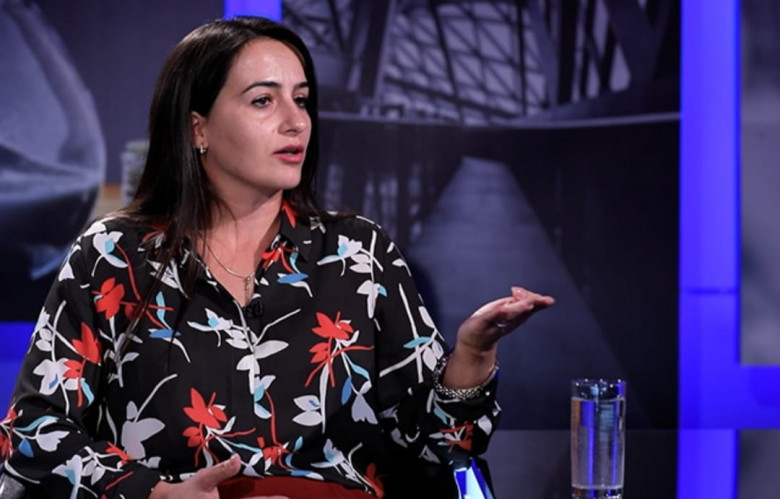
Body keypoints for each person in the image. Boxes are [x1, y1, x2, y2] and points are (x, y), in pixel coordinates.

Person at [0, 16, 554, 499]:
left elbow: (438, 445)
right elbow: (33, 432)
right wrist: (155, 493)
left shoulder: (358, 254)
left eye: (302, 99)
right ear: (197, 128)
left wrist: (472, 355)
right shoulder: (113, 256)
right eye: (264, 101)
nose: (296, 121)